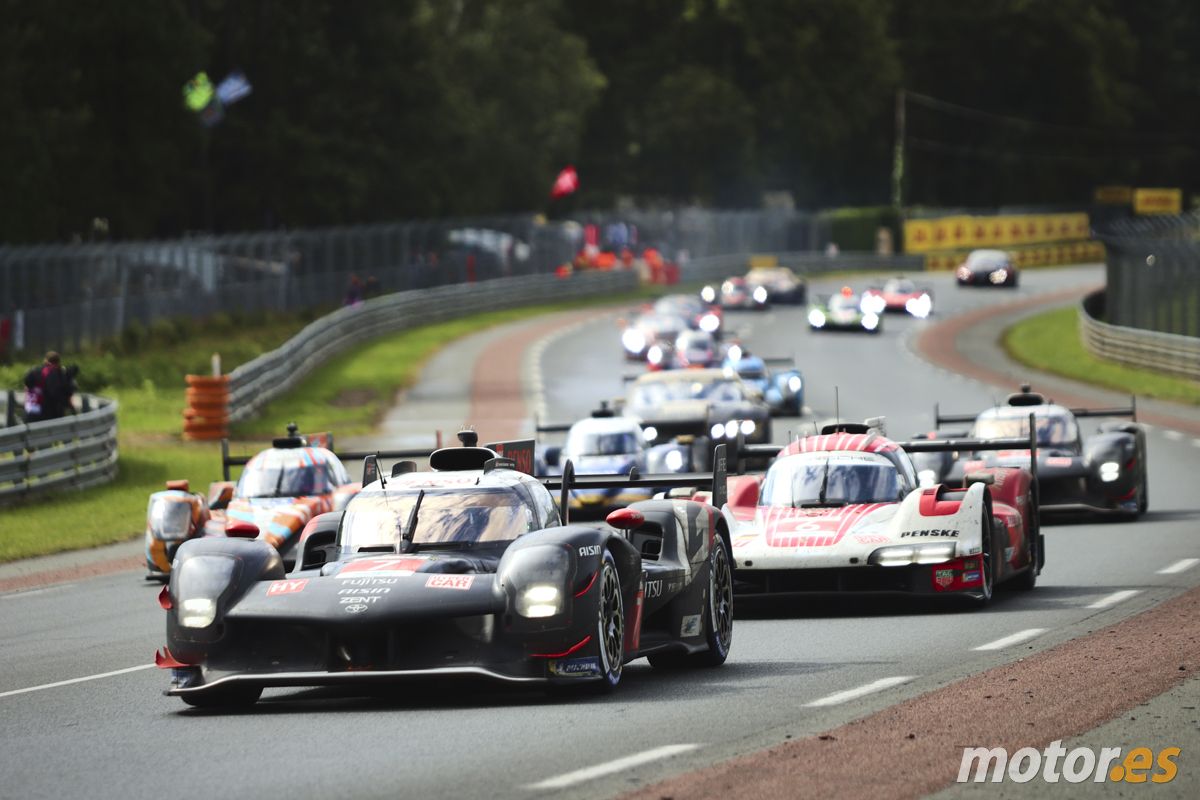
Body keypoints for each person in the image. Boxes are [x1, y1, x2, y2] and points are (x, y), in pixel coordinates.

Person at [23, 351, 71, 422]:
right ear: (58, 362)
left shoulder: (34, 371)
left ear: (45, 360)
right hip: (46, 414)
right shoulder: (55, 374)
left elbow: (26, 387)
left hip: (30, 412)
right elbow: (56, 393)